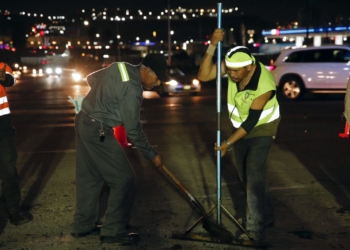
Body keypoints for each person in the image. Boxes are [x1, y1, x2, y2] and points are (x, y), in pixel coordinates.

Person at [71, 53, 169, 245]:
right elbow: (133, 129)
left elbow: (92, 78)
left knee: (91, 176)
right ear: (147, 70)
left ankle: (82, 226)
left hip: (83, 119)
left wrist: (104, 96)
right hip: (98, 129)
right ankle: (113, 230)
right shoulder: (132, 89)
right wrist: (151, 154)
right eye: (157, 78)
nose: (158, 83)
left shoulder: (120, 66)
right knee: (124, 178)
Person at [198, 29, 281, 241]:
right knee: (246, 176)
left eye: (236, 71)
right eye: (229, 70)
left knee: (253, 172)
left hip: (262, 127)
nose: (231, 74)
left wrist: (227, 143)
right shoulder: (236, 66)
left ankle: (254, 229)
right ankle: (267, 215)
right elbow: (204, 75)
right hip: (239, 128)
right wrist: (212, 46)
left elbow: (252, 121)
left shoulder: (264, 84)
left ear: (249, 66)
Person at [0, 62, 30, 226]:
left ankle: (13, 212)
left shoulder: (2, 66)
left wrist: (4, 78)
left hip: (2, 130)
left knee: (9, 173)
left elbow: (11, 80)